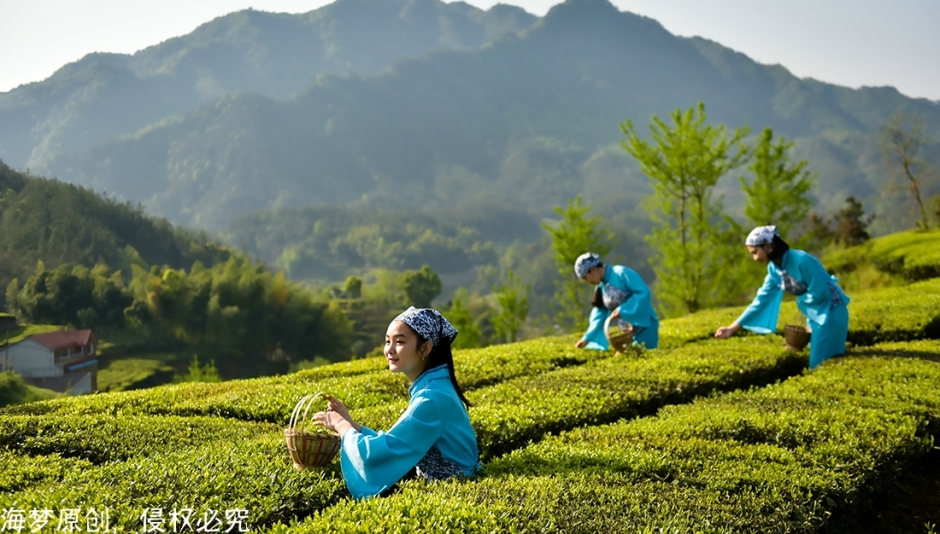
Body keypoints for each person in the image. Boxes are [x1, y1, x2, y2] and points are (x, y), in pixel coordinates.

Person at [314, 306, 480, 499]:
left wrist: (341, 426)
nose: (389, 350)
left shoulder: (431, 399)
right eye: (387, 341)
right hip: (452, 490)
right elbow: (397, 443)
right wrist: (352, 425)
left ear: (425, 348)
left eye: (399, 341)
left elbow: (376, 455)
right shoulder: (436, 389)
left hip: (454, 497)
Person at [714, 225, 851, 369]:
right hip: (815, 316)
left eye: (755, 252)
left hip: (831, 313)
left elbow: (821, 292)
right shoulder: (774, 270)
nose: (754, 258)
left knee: (819, 364)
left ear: (767, 246)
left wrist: (801, 300)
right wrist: (732, 328)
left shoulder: (802, 260)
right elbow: (760, 301)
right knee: (819, 363)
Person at [574, 252, 659, 350]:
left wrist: (622, 310)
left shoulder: (621, 273)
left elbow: (643, 293)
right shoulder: (601, 287)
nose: (588, 282)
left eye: (585, 278)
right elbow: (599, 315)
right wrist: (587, 338)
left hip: (644, 326)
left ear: (592, 269)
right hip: (626, 333)